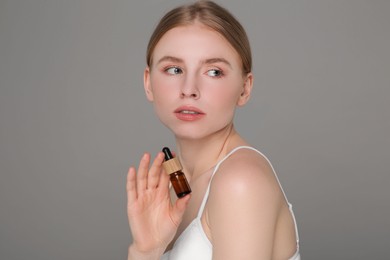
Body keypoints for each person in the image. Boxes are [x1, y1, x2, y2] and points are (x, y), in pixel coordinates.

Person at [126, 1, 300, 259]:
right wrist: (144, 250)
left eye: (213, 71)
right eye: (174, 69)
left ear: (245, 88)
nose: (189, 88)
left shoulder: (240, 181)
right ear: (148, 82)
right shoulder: (171, 185)